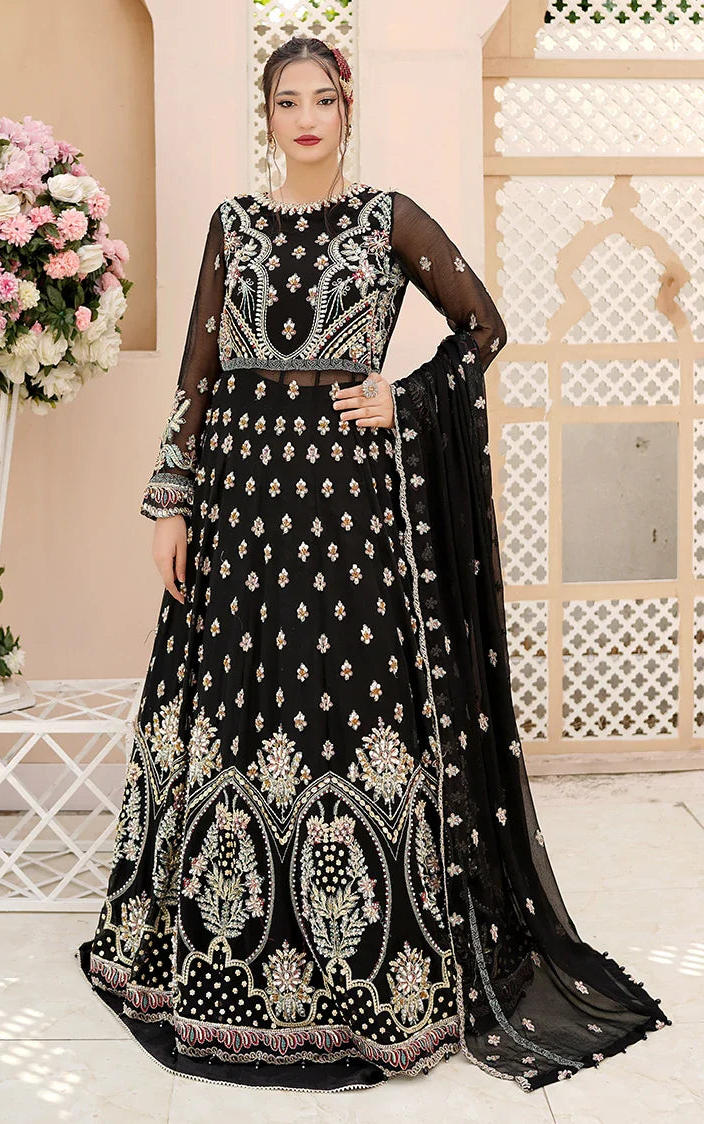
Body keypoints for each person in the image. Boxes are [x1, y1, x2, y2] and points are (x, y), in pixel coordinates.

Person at [77, 34, 671, 1094]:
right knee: (239, 706)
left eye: (323, 100)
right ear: (267, 115)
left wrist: (406, 395)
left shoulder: (387, 219)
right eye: (287, 101)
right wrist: (172, 499)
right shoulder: (232, 225)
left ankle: (359, 962)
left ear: (345, 110)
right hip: (241, 503)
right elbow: (198, 370)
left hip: (346, 509)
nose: (306, 118)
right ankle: (224, 948)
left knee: (344, 705)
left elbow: (481, 329)